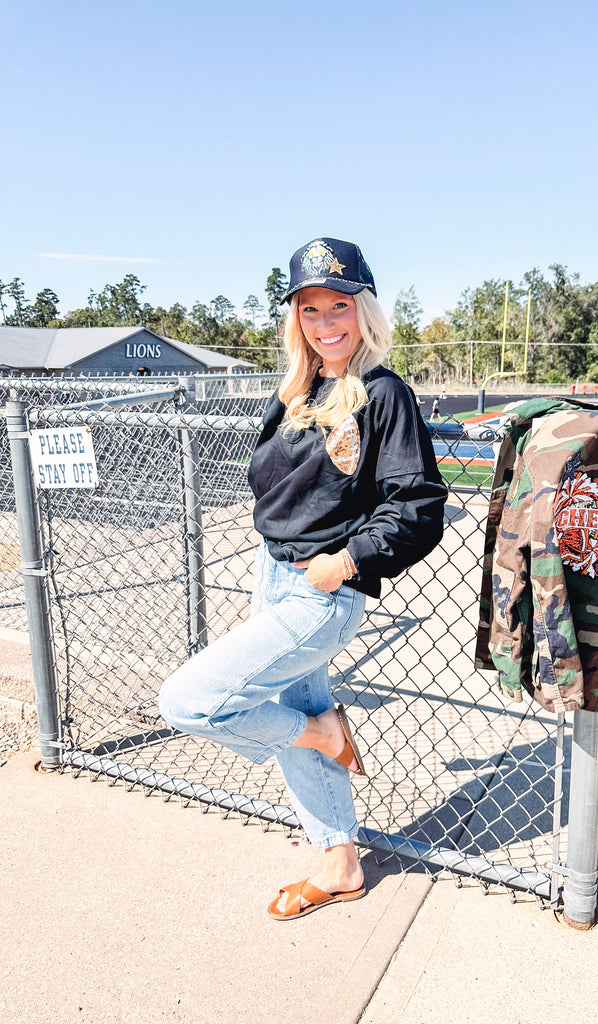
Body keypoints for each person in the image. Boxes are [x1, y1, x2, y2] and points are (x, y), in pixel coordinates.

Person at [158, 237, 447, 921]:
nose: (325, 323)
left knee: (190, 702)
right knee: (294, 708)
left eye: (338, 306)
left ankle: (323, 734)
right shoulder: (300, 389)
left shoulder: (382, 393)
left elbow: (419, 505)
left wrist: (346, 562)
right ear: (297, 320)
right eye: (310, 309)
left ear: (364, 310)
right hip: (274, 575)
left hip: (321, 590)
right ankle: (340, 862)